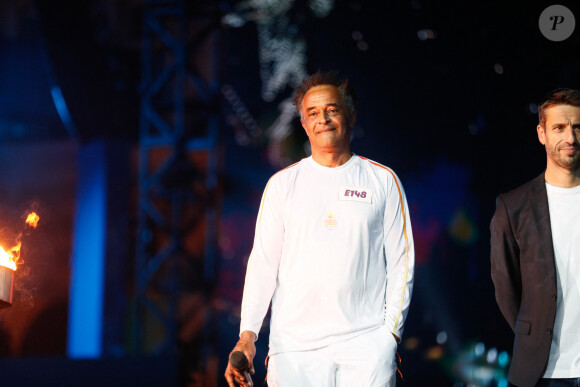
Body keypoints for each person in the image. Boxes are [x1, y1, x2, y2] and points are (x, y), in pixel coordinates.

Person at [224, 71, 415, 387]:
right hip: (294, 351)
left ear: (349, 116)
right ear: (303, 124)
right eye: (313, 113)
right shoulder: (282, 185)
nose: (323, 119)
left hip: (365, 346)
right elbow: (262, 267)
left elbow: (401, 263)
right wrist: (248, 336)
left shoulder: (382, 180)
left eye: (332, 109)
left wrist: (389, 336)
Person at [490, 88, 580, 387]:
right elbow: (506, 289)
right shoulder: (513, 206)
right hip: (540, 373)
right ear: (542, 133)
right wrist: (532, 332)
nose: (570, 137)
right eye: (559, 128)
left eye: (578, 127)